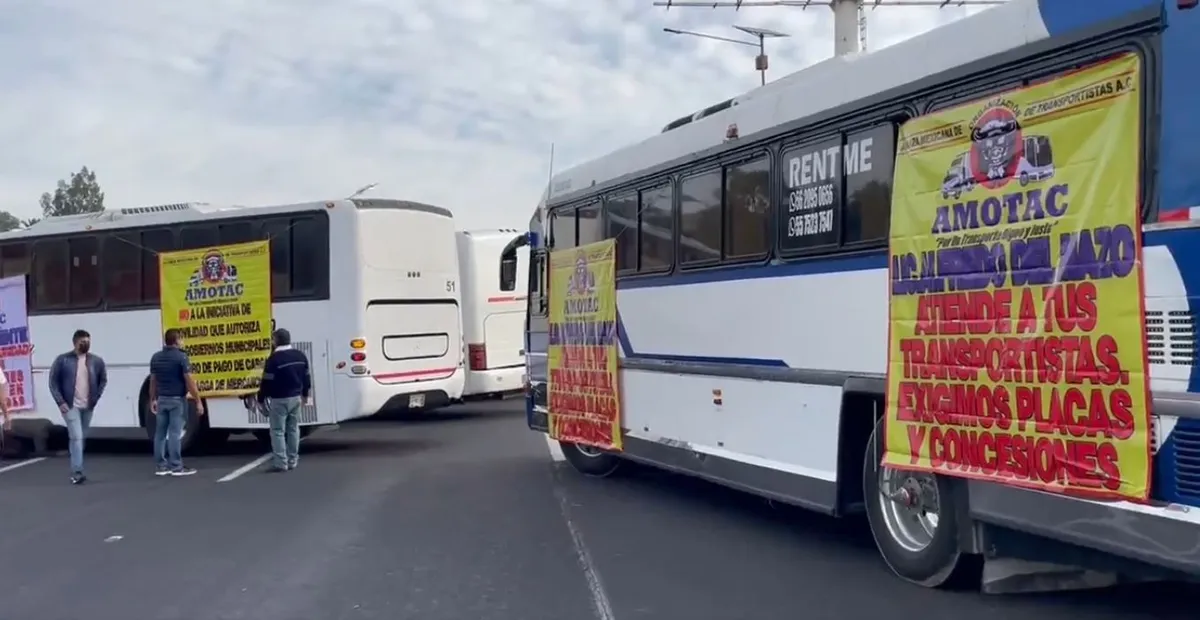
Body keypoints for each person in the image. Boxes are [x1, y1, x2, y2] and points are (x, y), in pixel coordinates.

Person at [47, 329, 107, 484]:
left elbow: (103, 380)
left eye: (88, 341)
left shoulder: (96, 361)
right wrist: (60, 402)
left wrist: (96, 397)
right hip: (69, 405)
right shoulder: (63, 360)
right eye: (83, 342)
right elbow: (53, 382)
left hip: (88, 406)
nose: (86, 344)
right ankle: (77, 472)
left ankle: (77, 466)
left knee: (81, 438)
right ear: (75, 342)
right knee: (77, 437)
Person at [148, 328, 202, 476]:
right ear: (177, 340)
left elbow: (153, 380)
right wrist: (198, 400)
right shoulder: (181, 357)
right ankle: (176, 466)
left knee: (160, 434)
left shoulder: (156, 357)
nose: (182, 342)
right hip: (177, 400)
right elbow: (189, 380)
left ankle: (161, 466)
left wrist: (153, 398)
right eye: (181, 339)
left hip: (162, 399)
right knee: (174, 433)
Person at [257, 328, 311, 472]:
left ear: (276, 341)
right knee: (293, 429)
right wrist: (305, 395)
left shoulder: (273, 360)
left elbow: (266, 382)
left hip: (279, 400)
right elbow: (306, 377)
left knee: (277, 431)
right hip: (296, 398)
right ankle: (293, 460)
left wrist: (260, 400)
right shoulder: (300, 356)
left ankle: (281, 462)